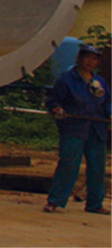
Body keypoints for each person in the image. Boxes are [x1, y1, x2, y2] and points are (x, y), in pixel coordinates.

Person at [43, 44, 111, 214]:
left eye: (94, 59)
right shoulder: (67, 79)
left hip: (96, 129)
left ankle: (95, 204)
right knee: (69, 164)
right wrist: (57, 109)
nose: (90, 62)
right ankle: (55, 201)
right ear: (80, 58)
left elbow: (107, 102)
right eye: (87, 57)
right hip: (73, 128)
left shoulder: (100, 82)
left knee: (97, 167)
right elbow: (53, 100)